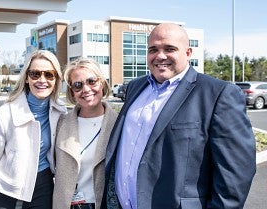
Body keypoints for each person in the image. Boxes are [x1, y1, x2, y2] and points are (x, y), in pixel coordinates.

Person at [102, 23, 256, 209]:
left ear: (188, 53)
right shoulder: (135, 87)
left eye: (170, 49)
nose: (160, 56)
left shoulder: (218, 94)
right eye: (153, 49)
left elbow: (236, 174)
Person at [0, 50, 67, 209]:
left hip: (43, 187)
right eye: (35, 74)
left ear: (56, 79)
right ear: (26, 78)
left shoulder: (61, 112)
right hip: (8, 191)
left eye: (49, 74)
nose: (42, 80)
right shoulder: (4, 115)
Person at [53, 58, 118, 209]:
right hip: (66, 204)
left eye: (92, 81)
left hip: (104, 203)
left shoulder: (119, 124)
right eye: (78, 85)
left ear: (101, 83)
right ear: (72, 92)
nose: (86, 89)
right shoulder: (61, 123)